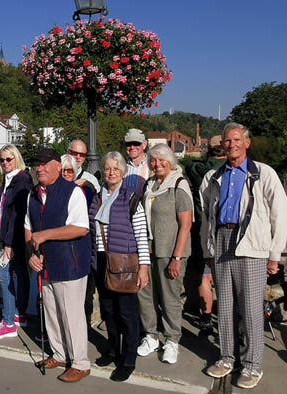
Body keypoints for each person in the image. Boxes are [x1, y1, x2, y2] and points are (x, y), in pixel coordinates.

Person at [201, 123, 287, 389]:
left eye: (237, 140)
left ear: (247, 143)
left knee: (250, 308)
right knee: (224, 306)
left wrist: (275, 254)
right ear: (222, 145)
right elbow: (205, 217)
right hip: (222, 241)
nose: (232, 145)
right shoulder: (212, 177)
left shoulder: (264, 173)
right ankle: (227, 358)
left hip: (252, 245)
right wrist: (207, 249)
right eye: (227, 141)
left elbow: (280, 215)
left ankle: (252, 365)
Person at [25, 148, 92, 383]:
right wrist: (32, 252)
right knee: (51, 313)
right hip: (46, 265)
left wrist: (44, 236)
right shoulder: (33, 194)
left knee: (71, 316)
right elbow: (28, 229)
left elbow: (81, 227)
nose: (40, 168)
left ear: (57, 166)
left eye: (45, 164)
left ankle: (81, 363)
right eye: (37, 164)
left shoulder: (73, 192)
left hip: (69, 264)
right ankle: (60, 354)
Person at [88, 152, 150, 381]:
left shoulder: (131, 198)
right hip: (101, 260)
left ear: (123, 171)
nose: (111, 172)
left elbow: (141, 235)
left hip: (124, 262)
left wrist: (143, 267)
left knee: (127, 313)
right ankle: (113, 350)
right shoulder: (97, 197)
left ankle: (128, 359)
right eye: (107, 168)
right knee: (108, 311)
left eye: (116, 168)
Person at [138, 143, 193, 365]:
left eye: (162, 160)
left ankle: (172, 340)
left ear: (171, 161)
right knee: (145, 295)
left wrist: (177, 257)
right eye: (153, 160)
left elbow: (186, 225)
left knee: (170, 298)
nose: (157, 163)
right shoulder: (150, 184)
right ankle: (150, 336)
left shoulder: (179, 185)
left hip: (170, 252)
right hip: (148, 251)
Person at [0, 145, 32, 339]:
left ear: (17, 159)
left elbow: (17, 215)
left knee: (4, 275)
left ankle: (8, 322)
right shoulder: (10, 179)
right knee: (18, 274)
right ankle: (19, 314)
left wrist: (9, 242)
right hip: (12, 237)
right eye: (2, 160)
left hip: (14, 238)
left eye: (9, 159)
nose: (5, 163)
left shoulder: (21, 180)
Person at [185, 136, 227, 332]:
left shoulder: (198, 170)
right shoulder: (232, 168)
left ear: (208, 150)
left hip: (203, 230)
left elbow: (191, 166)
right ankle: (229, 320)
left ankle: (206, 317)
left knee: (205, 276)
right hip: (228, 231)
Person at [62, 153, 96, 327]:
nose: (67, 173)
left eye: (70, 170)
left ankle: (81, 327)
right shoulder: (52, 190)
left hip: (79, 249)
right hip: (60, 250)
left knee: (81, 294)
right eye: (63, 170)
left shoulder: (84, 190)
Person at [123, 128, 150, 197]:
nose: (132, 147)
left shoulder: (152, 166)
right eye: (128, 144)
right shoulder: (121, 167)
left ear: (144, 144)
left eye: (136, 143)